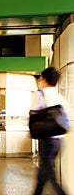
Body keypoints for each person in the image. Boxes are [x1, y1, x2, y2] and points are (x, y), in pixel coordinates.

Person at [31, 67, 68, 195]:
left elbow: (33, 113)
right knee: (43, 173)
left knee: (50, 176)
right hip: (58, 141)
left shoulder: (41, 94)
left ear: (45, 80)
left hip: (47, 140)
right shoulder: (60, 97)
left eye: (41, 78)